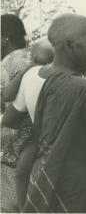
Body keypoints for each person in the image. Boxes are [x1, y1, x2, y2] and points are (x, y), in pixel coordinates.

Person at [5, 14, 86, 212]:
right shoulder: (83, 89)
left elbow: (12, 119)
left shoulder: (46, 80)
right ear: (69, 45)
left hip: (45, 176)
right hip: (76, 186)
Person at [0, 14, 32, 212]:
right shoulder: (38, 58)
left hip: (12, 148)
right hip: (40, 147)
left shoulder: (6, 65)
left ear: (5, 37)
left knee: (8, 206)